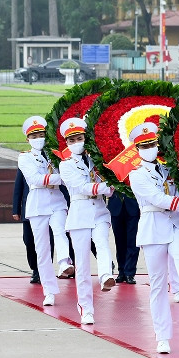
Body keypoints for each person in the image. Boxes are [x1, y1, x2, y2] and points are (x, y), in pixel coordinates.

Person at [127, 121, 179, 354]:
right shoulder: (136, 175)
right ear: (137, 149)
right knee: (158, 285)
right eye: (144, 145)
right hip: (153, 228)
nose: (150, 148)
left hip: (175, 223)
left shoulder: (170, 169)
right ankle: (162, 336)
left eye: (152, 143)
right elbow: (155, 197)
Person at [57, 118, 116, 324]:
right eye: (72, 140)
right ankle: (86, 308)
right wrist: (106, 186)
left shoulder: (96, 160)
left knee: (102, 242)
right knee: (82, 265)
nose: (76, 142)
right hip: (80, 213)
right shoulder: (65, 165)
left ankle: (106, 275)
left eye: (79, 138)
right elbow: (82, 186)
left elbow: (110, 183)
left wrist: (111, 184)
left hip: (99, 209)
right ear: (67, 143)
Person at [17, 116, 72, 307]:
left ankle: (64, 262)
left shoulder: (55, 154)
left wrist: (58, 177)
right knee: (42, 250)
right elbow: (35, 179)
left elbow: (65, 174)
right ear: (28, 138)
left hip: (57, 200)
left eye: (41, 134)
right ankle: (49, 291)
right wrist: (59, 177)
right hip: (38, 203)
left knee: (60, 230)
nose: (39, 138)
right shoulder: (24, 157)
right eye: (34, 135)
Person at [12, 169, 42, 284]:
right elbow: (18, 187)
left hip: (45, 210)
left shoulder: (48, 161)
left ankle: (42, 271)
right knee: (29, 241)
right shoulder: (25, 161)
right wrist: (16, 209)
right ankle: (35, 268)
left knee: (46, 242)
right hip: (28, 210)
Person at [108, 191, 140, 283]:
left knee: (133, 242)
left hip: (133, 205)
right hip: (115, 206)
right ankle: (121, 271)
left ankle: (130, 273)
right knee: (119, 242)